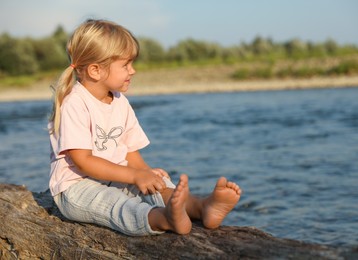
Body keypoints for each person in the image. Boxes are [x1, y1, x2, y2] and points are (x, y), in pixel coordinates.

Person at [48, 19, 241, 236]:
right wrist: (134, 176)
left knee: (159, 184)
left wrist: (145, 173)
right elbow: (83, 162)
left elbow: (129, 151)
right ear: (95, 70)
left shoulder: (119, 101)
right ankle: (162, 218)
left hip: (115, 177)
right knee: (116, 204)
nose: (133, 71)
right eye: (125, 65)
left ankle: (201, 207)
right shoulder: (74, 102)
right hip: (76, 188)